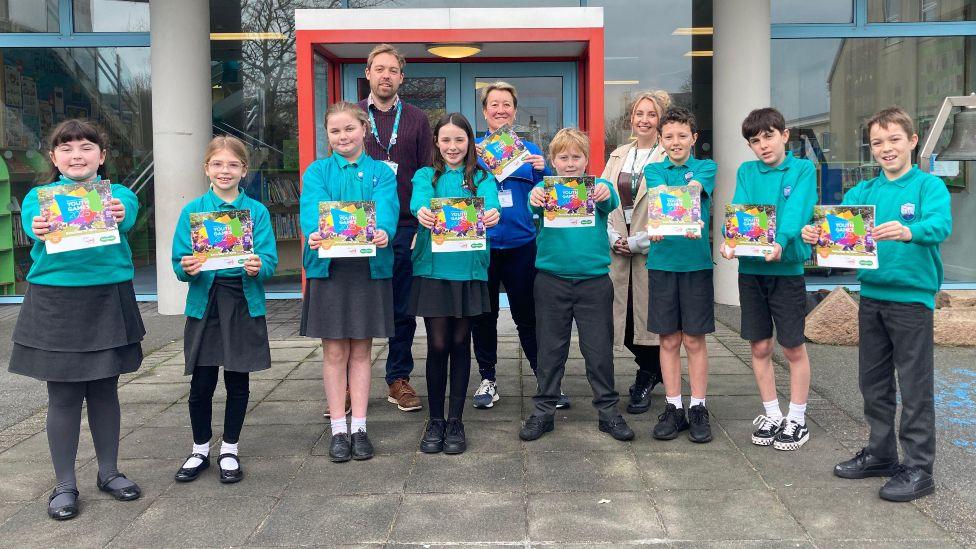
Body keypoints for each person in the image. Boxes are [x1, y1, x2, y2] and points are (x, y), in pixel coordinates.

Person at [802, 106, 951, 502]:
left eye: (894, 140)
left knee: (915, 387)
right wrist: (817, 234)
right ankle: (882, 454)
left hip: (912, 301)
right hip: (871, 299)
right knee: (873, 384)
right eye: (878, 142)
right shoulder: (862, 193)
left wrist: (909, 231)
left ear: (912, 141)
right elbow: (838, 238)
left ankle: (919, 468)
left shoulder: (927, 187)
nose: (886, 149)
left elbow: (940, 225)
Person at [9, 119, 144, 520]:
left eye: (86, 147)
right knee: (64, 396)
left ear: (101, 157)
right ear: (54, 158)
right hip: (55, 302)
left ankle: (109, 472)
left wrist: (122, 212)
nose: (77, 155)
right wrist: (36, 227)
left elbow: (130, 212)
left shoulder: (118, 195)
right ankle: (65, 484)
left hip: (108, 297)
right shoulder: (40, 196)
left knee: (105, 391)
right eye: (67, 149)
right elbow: (33, 223)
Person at [171, 135, 278, 484]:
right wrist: (185, 267)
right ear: (206, 168)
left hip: (242, 300)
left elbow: (270, 261)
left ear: (244, 170)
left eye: (233, 164)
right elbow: (178, 262)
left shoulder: (256, 212)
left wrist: (257, 266)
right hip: (206, 302)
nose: (225, 170)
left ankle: (229, 448)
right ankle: (200, 448)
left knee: (238, 380)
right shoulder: (193, 212)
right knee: (201, 382)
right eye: (217, 164)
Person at [519, 127, 634, 443]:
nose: (570, 164)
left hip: (593, 283)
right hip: (551, 282)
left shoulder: (599, 188)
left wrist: (605, 194)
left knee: (598, 352)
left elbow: (610, 199)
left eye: (577, 157)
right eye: (563, 157)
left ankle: (608, 413)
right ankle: (544, 412)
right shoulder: (543, 190)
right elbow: (531, 206)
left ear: (587, 160)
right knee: (549, 352)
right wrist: (533, 197)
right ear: (553, 161)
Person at [300, 101, 398, 463]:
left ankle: (360, 426)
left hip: (368, 270)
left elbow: (386, 208)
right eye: (335, 131)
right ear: (328, 136)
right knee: (334, 352)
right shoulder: (317, 171)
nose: (343, 136)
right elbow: (312, 210)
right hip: (330, 270)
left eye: (349, 129)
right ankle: (338, 429)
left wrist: (384, 230)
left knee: (361, 352)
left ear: (364, 130)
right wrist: (314, 232)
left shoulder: (382, 172)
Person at [720, 108, 816, 451]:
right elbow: (739, 209)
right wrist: (728, 238)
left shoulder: (802, 169)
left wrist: (781, 241)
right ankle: (773, 412)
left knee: (792, 346)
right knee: (759, 345)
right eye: (755, 140)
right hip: (752, 271)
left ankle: (798, 417)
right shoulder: (747, 171)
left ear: (785, 135)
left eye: (769, 136)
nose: (763, 145)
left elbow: (797, 211)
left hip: (787, 271)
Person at [411, 112, 501, 454]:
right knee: (437, 345)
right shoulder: (425, 175)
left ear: (469, 143)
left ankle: (456, 421)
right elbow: (418, 200)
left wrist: (493, 214)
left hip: (469, 270)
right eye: (446, 139)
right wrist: (422, 211)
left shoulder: (481, 176)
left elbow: (491, 206)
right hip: (433, 270)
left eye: (459, 140)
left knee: (462, 344)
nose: (452, 146)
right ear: (436, 141)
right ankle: (435, 420)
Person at [471, 81, 560, 409]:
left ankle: (543, 377)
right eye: (493, 105)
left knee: (529, 315)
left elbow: (549, 198)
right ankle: (487, 379)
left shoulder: (531, 151)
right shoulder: (473, 149)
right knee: (484, 316)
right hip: (483, 246)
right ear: (484, 112)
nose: (500, 110)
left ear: (514, 110)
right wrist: (473, 157)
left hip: (522, 244)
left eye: (506, 104)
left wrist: (544, 169)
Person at [358, 43, 432, 413]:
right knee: (360, 306)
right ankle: (351, 386)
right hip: (358, 231)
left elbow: (425, 174)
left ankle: (397, 378)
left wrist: (422, 221)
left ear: (402, 78)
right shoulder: (352, 116)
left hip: (404, 227)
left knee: (403, 307)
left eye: (393, 70)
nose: (386, 75)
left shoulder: (417, 118)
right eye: (379, 68)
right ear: (368, 73)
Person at [644, 107, 718, 444]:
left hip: (695, 264)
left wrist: (674, 209)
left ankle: (698, 406)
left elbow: (695, 190)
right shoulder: (654, 168)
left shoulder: (706, 167)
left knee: (694, 339)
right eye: (669, 136)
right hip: (662, 263)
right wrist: (663, 218)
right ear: (661, 140)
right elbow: (661, 197)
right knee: (669, 339)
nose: (676, 142)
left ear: (694, 138)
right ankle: (674, 406)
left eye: (682, 136)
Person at [603, 91, 670, 415]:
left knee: (649, 320)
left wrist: (639, 241)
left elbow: (672, 209)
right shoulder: (618, 155)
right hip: (618, 249)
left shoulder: (666, 157)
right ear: (631, 118)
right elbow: (600, 200)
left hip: (649, 249)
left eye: (652, 114)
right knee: (623, 319)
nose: (644, 119)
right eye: (639, 113)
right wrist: (612, 235)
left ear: (660, 120)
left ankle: (648, 373)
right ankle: (651, 370)